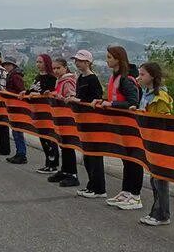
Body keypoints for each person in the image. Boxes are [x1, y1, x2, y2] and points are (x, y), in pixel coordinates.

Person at [95, 45, 144, 210]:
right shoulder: (116, 77)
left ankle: (135, 195)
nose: (107, 60)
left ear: (118, 59)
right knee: (126, 159)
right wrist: (103, 101)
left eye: (109, 57)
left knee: (133, 160)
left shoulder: (126, 79)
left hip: (129, 125)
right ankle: (126, 191)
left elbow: (132, 101)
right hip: (120, 125)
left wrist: (113, 104)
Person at [137, 61, 174, 226]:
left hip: (159, 142)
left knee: (160, 179)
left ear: (152, 76)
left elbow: (164, 120)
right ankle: (156, 210)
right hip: (149, 140)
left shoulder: (160, 97)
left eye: (142, 74)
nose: (139, 77)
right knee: (154, 178)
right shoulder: (146, 93)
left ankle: (162, 213)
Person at [72, 50, 107, 196]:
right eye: (76, 60)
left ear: (87, 62)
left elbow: (95, 99)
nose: (77, 63)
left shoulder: (93, 79)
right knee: (87, 155)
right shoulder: (80, 78)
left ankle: (98, 187)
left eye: (80, 60)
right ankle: (91, 184)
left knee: (94, 155)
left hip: (92, 121)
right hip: (83, 121)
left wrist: (77, 100)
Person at [47, 58, 79, 186]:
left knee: (68, 146)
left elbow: (70, 96)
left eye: (58, 68)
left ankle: (72, 174)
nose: (55, 71)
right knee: (63, 145)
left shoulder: (68, 81)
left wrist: (59, 97)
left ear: (65, 68)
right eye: (54, 68)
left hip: (67, 118)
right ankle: (65, 170)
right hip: (60, 118)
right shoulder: (59, 81)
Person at [27, 54, 60, 173]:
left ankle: (53, 164)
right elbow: (32, 89)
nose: (38, 64)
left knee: (50, 138)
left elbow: (50, 93)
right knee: (43, 138)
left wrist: (38, 95)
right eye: (37, 62)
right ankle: (48, 162)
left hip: (47, 113)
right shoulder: (37, 76)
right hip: (38, 112)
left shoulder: (51, 78)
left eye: (40, 62)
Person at [0, 58, 28, 164]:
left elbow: (21, 91)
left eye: (9, 65)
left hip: (17, 107)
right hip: (13, 107)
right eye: (5, 65)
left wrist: (8, 92)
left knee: (17, 132)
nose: (6, 66)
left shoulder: (15, 76)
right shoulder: (12, 75)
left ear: (13, 65)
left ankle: (21, 154)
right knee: (15, 131)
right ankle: (19, 153)